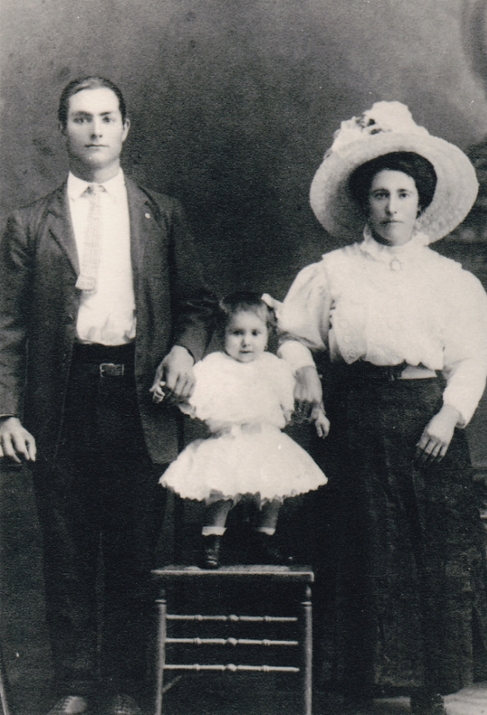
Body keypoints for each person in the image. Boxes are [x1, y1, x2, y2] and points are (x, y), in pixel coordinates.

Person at [0, 77, 217, 715]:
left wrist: (184, 348)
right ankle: (74, 684)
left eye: (106, 118)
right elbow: (7, 326)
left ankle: (124, 686)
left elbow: (198, 304)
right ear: (62, 129)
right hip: (60, 406)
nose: (94, 130)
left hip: (139, 401)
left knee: (131, 552)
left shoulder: (162, 212)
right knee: (65, 551)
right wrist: (6, 411)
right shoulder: (28, 223)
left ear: (126, 128)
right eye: (80, 119)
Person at [276, 102, 487, 715]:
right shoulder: (332, 273)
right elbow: (296, 334)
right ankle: (362, 683)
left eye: (403, 193)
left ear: (420, 200)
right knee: (363, 548)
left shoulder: (449, 278)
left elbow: (473, 356)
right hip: (355, 419)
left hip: (428, 419)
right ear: (364, 203)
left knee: (429, 551)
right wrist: (305, 375)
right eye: (380, 194)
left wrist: (449, 414)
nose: (392, 206)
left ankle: (429, 688)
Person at [154, 292, 329, 568]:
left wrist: (317, 412)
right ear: (223, 334)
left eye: (255, 333)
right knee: (222, 491)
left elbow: (296, 396)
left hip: (266, 439)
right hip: (228, 440)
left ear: (268, 334)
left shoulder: (274, 367)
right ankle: (211, 542)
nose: (247, 341)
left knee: (275, 490)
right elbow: (189, 390)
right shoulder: (213, 366)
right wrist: (165, 389)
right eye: (237, 333)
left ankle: (264, 538)